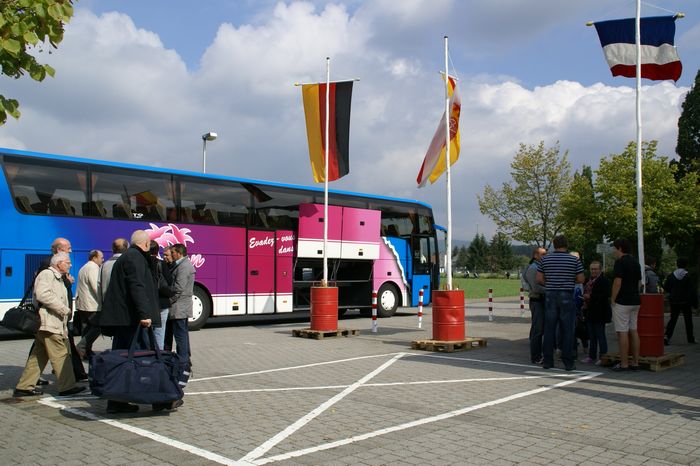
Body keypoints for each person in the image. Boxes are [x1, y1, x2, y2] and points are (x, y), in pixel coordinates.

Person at [99, 230, 161, 414]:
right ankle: (157, 398)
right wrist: (144, 314)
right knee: (143, 358)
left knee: (123, 359)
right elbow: (137, 286)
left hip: (124, 319)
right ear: (146, 244)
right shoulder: (135, 258)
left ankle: (117, 400)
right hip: (131, 320)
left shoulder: (128, 256)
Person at [14, 253, 86, 397]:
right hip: (49, 323)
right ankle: (67, 386)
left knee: (38, 356)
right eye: (67, 262)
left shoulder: (57, 276)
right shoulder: (47, 274)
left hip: (49, 323)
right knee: (61, 355)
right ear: (58, 263)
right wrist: (63, 309)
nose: (70, 265)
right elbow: (43, 295)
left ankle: (24, 387)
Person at [536, 235, 584, 371]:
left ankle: (547, 361)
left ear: (554, 244)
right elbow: (581, 279)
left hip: (550, 295)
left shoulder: (545, 259)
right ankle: (568, 362)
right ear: (566, 245)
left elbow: (539, 279)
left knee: (549, 329)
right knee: (567, 330)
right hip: (567, 295)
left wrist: (550, 283)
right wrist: (569, 280)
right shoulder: (574, 259)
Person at [610, 238, 642, 372]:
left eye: (614, 248)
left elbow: (617, 282)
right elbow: (639, 283)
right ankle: (635, 362)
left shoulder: (620, 262)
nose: (613, 251)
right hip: (635, 300)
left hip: (622, 301)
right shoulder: (636, 262)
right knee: (633, 330)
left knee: (622, 332)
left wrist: (613, 299)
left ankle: (624, 364)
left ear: (620, 248)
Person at [164, 243, 195, 367]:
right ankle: (185, 360)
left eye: (173, 253)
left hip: (179, 308)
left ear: (179, 253)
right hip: (180, 307)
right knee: (182, 335)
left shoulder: (184, 267)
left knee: (180, 336)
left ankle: (183, 362)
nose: (171, 255)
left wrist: (168, 301)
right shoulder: (181, 265)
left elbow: (178, 288)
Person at [580, 261, 611, 365]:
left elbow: (605, 295)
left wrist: (590, 296)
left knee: (600, 335)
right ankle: (591, 356)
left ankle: (603, 356)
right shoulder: (588, 281)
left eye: (595, 269)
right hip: (590, 311)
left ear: (600, 270)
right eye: (592, 269)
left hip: (600, 311)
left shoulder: (604, 281)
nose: (593, 271)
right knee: (592, 335)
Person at [75, 249, 104, 359]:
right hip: (92, 304)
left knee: (86, 328)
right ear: (94, 258)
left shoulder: (84, 267)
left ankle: (86, 352)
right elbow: (96, 287)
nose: (103, 260)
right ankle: (81, 347)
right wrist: (104, 300)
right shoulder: (93, 268)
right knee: (98, 327)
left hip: (83, 304)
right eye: (101, 257)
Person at [664, 257, 698, 345]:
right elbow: (692, 291)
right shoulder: (688, 276)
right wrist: (695, 304)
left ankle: (667, 336)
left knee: (673, 319)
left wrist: (672, 292)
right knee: (688, 320)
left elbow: (666, 287)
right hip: (685, 302)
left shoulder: (671, 276)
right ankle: (690, 338)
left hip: (674, 301)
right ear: (686, 265)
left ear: (677, 264)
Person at [523, 247, 547, 364]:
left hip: (541, 300)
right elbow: (536, 288)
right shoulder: (533, 268)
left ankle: (539, 354)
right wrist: (552, 289)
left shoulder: (539, 267)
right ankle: (536, 356)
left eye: (546, 254)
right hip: (537, 301)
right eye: (543, 254)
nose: (545, 256)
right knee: (537, 330)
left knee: (540, 329)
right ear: (535, 256)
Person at [149, 241, 173, 350]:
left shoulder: (141, 263)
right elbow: (169, 281)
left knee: (147, 333)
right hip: (162, 302)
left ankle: (147, 354)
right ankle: (159, 355)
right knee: (159, 332)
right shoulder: (161, 264)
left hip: (147, 303)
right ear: (157, 251)